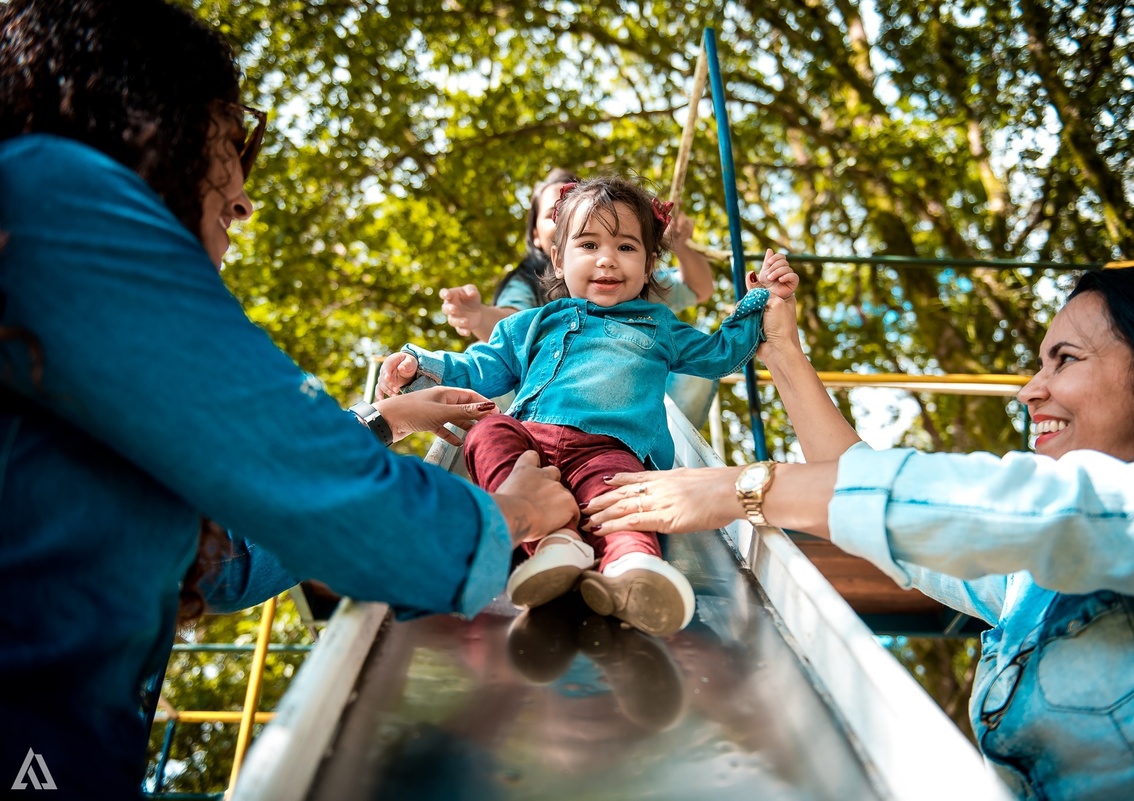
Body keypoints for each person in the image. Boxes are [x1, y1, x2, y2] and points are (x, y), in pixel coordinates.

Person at [0, 1, 578, 797]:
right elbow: (318, 487)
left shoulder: (62, 332)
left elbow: (227, 558)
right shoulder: (52, 196)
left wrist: (381, 422)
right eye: (228, 139)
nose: (242, 197)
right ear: (141, 115)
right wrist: (510, 512)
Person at [583, 265, 1134, 800]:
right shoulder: (1028, 582)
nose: (1029, 392)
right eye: (1039, 363)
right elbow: (872, 492)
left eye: (1065, 360)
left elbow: (1015, 507)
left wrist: (741, 488)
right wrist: (783, 354)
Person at [376, 176, 798, 637]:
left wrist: (763, 299)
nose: (607, 259)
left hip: (610, 449)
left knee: (620, 501)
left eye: (626, 247)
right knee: (486, 433)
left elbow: (720, 354)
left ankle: (633, 568)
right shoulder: (532, 323)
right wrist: (420, 364)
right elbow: (481, 368)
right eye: (589, 244)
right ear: (559, 258)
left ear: (649, 265)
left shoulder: (658, 324)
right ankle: (553, 540)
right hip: (530, 448)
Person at [436, 167, 721, 425]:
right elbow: (514, 325)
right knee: (495, 368)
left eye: (623, 245)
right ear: (543, 243)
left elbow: (698, 288)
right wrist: (479, 315)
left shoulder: (625, 277)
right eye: (554, 214)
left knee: (695, 359)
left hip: (631, 409)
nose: (605, 259)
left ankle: (667, 442)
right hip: (548, 410)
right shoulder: (526, 282)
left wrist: (680, 245)